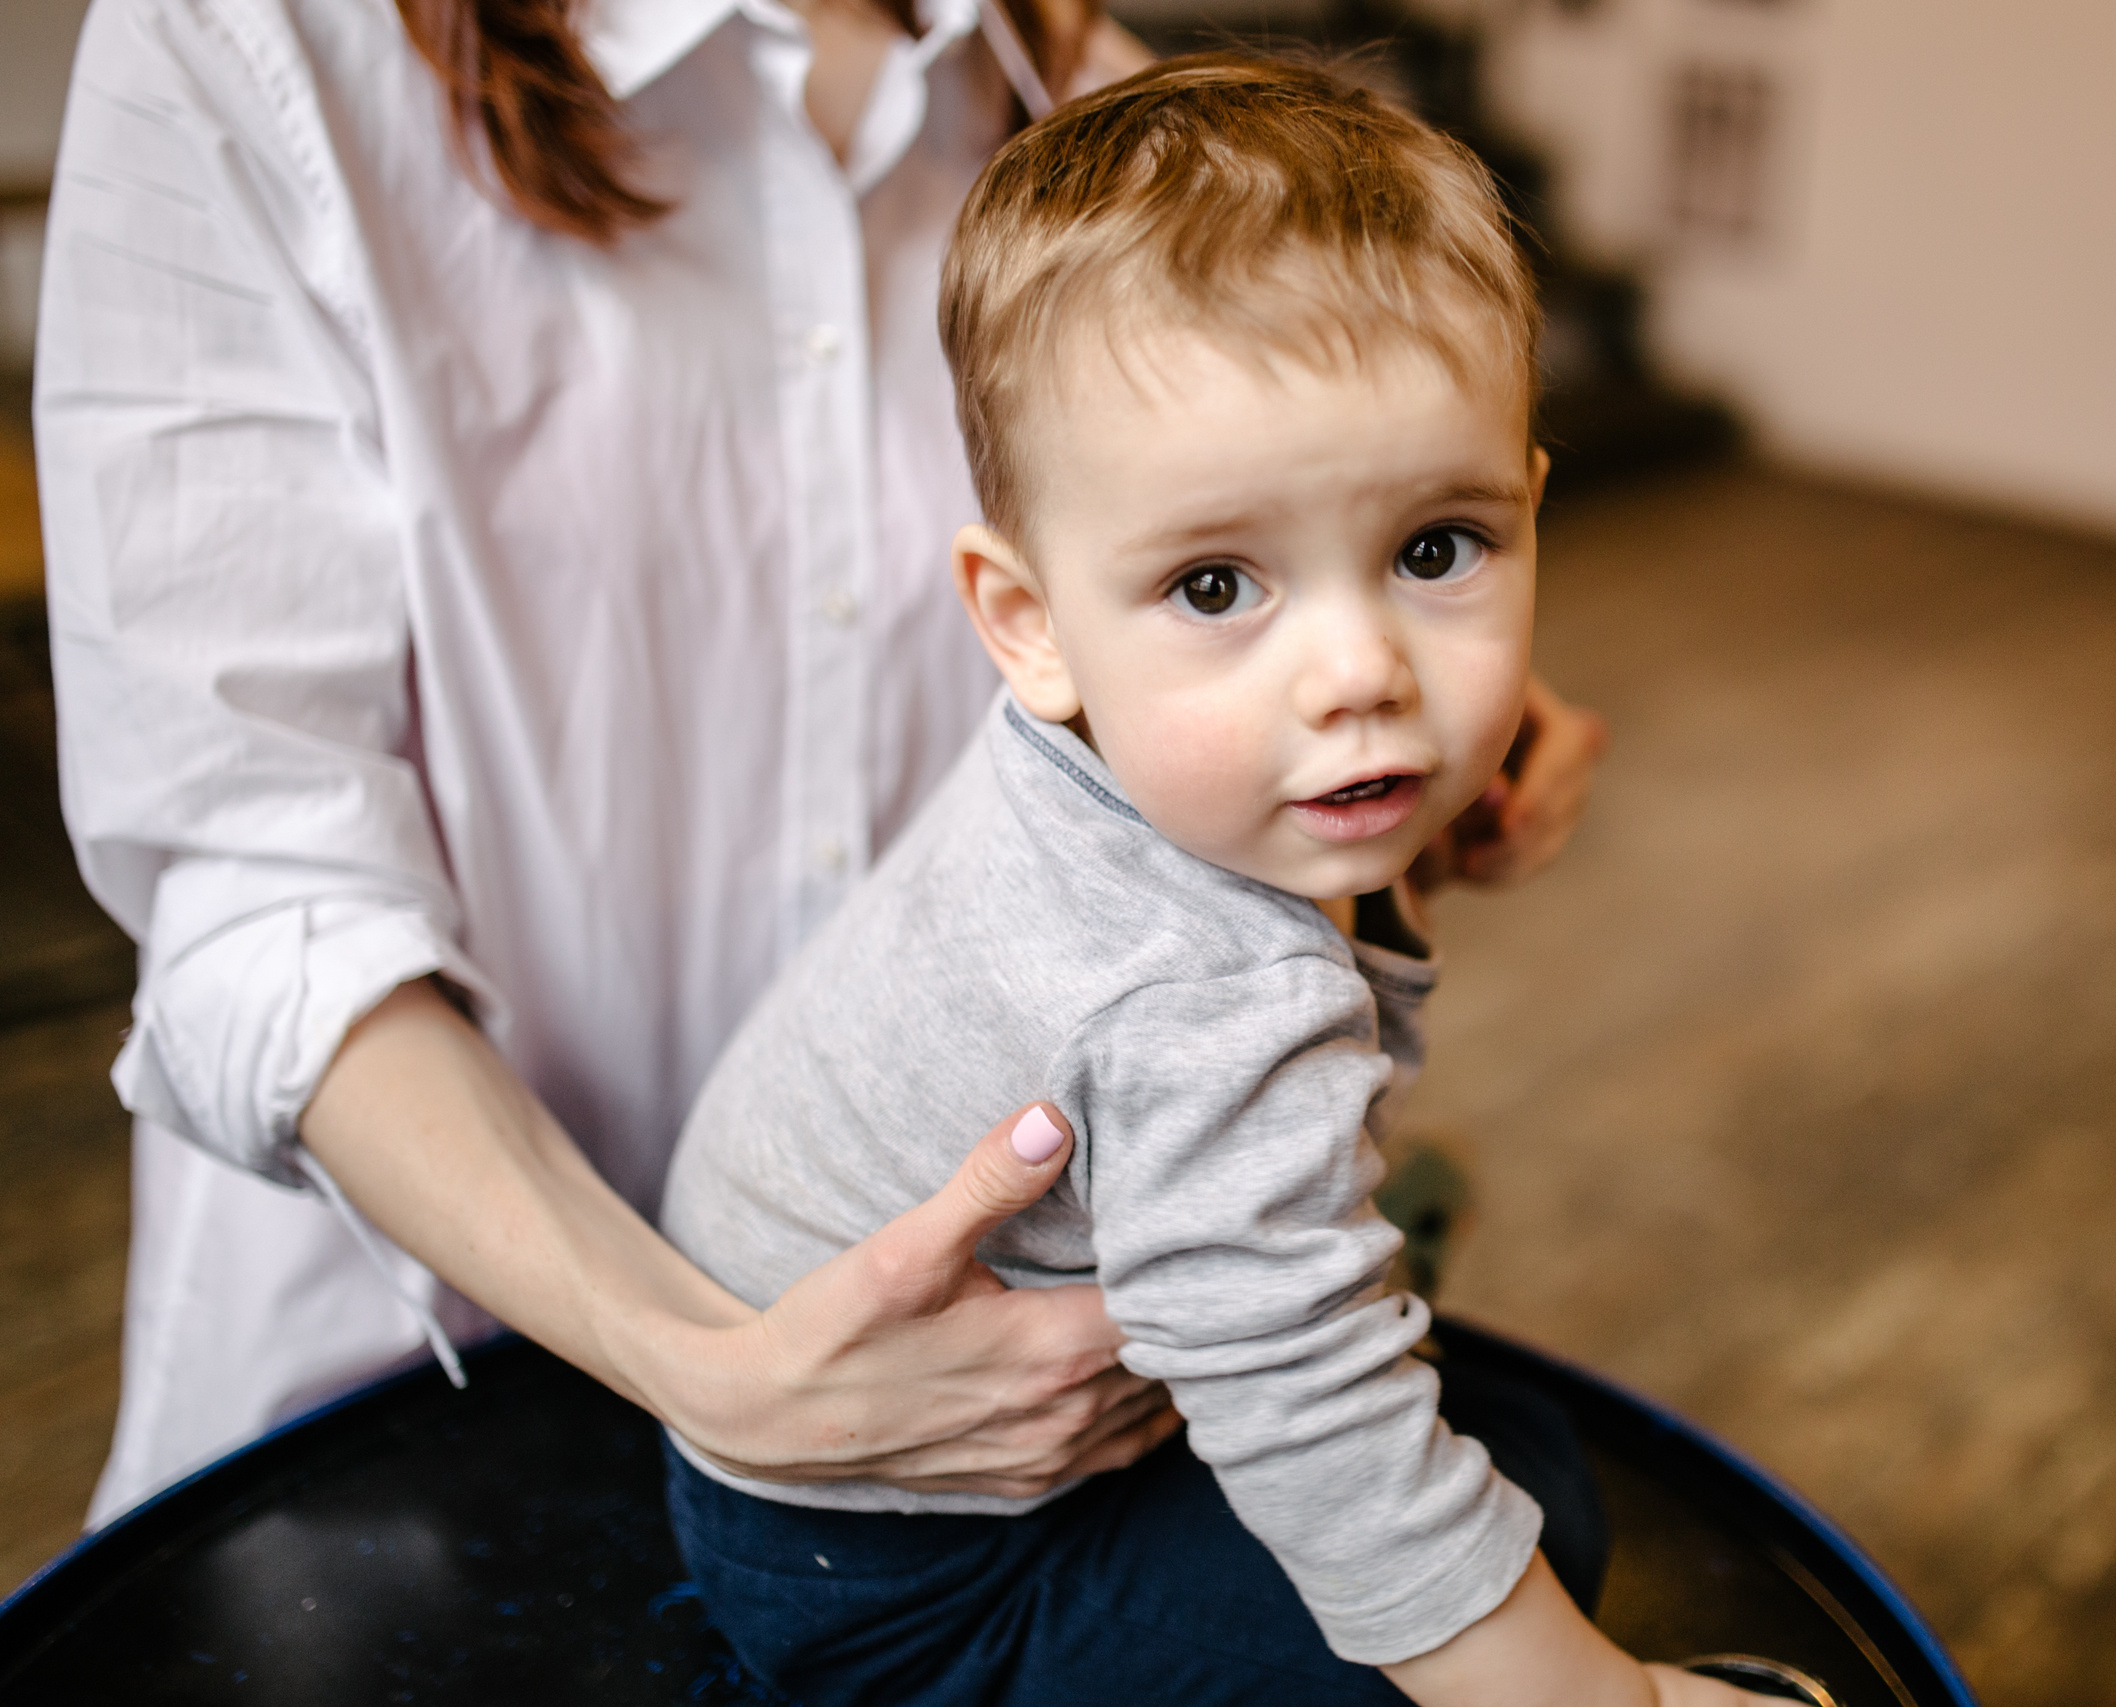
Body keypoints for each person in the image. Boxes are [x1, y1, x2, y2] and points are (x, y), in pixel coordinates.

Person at [35, 0, 1609, 1526]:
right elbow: (265, 903)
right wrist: (711, 1367)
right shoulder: (246, 42)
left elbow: (1249, 541)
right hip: (424, 1386)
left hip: (998, 1403)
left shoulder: (1060, 79)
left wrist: (1408, 712)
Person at [654, 57, 1754, 1707]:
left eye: (1436, 550)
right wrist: (1622, 1702)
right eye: (1221, 585)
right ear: (1027, 622)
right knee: (1537, 1513)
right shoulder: (1203, 991)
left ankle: (1270, 1254)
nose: (1361, 673)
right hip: (909, 1570)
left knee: (1504, 1445)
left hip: (839, 1444)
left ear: (1531, 513)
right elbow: (1318, 1418)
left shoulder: (1092, 743)